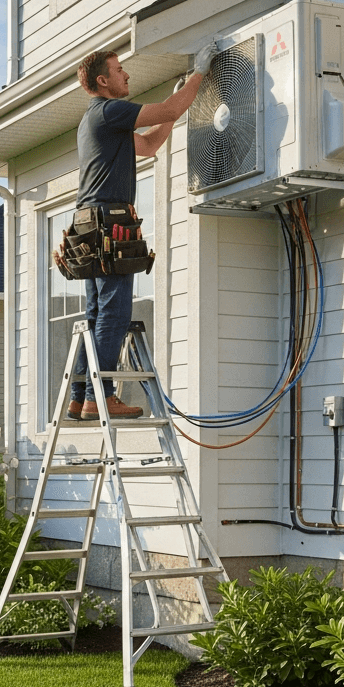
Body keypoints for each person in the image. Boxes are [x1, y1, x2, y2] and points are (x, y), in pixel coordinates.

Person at [68, 44, 216, 421]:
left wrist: (178, 101)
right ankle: (100, 396)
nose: (126, 75)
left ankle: (81, 396)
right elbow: (169, 110)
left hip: (89, 225)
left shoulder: (95, 120)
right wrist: (199, 73)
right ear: (103, 81)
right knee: (114, 313)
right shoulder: (110, 110)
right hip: (108, 223)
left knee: (96, 313)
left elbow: (149, 145)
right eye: (119, 70)